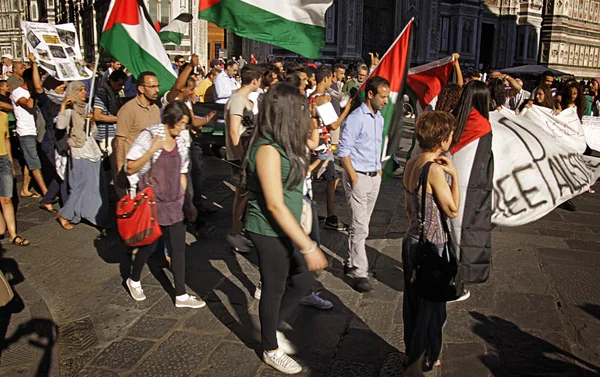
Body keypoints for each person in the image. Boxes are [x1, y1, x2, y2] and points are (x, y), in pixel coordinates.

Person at [243, 82, 328, 374]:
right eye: (302, 109)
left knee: (303, 281)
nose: (306, 114)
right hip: (268, 229)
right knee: (275, 288)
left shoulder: (285, 143)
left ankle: (274, 325)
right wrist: (308, 245)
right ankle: (270, 347)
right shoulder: (266, 149)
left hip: (289, 224)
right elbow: (275, 205)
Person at [125, 100, 205, 309]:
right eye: (180, 123)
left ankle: (181, 294)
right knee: (149, 246)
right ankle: (133, 279)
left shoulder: (181, 140)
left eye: (185, 124)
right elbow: (130, 167)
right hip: (152, 203)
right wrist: (152, 150)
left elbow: (182, 173)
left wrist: (188, 202)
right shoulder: (150, 136)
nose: (182, 128)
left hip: (175, 202)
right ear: (169, 120)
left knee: (178, 249)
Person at [402, 111, 460, 377]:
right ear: (441, 139)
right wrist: (454, 177)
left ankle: (410, 351)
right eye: (449, 135)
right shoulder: (434, 170)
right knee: (432, 306)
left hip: (411, 240)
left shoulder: (411, 162)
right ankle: (422, 359)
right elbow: (452, 209)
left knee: (412, 300)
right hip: (432, 244)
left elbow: (407, 207)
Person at [338, 76, 390, 292]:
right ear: (371, 94)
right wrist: (353, 175)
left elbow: (376, 145)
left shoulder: (379, 118)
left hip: (373, 175)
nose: (386, 101)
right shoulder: (355, 118)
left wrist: (378, 169)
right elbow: (343, 150)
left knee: (363, 224)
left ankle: (351, 261)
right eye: (383, 96)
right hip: (357, 175)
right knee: (360, 226)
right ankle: (360, 271)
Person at [450, 80, 493, 284]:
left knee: (450, 229)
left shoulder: (454, 119)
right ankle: (462, 278)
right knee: (468, 230)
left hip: (449, 179)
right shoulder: (483, 126)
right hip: (471, 185)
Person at [55, 81, 109, 230]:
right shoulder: (69, 110)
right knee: (80, 185)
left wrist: (91, 122)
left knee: (96, 185)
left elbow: (94, 133)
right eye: (80, 90)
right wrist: (63, 106)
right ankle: (65, 214)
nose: (84, 92)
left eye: (84, 89)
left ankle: (94, 215)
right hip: (79, 150)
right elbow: (60, 126)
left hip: (91, 149)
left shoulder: (86, 108)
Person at [310, 66, 353, 231]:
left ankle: (313, 211)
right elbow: (334, 125)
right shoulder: (321, 99)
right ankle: (331, 216)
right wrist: (347, 109)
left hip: (314, 142)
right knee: (332, 179)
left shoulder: (311, 97)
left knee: (313, 177)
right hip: (322, 145)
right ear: (327, 78)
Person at [225, 64, 262, 253]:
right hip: (241, 156)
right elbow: (234, 131)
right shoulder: (238, 100)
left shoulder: (244, 99)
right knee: (241, 194)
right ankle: (235, 232)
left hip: (247, 153)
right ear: (255, 80)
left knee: (245, 194)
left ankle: (240, 230)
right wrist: (241, 159)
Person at [114, 71, 161, 192]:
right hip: (134, 170)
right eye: (152, 87)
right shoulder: (128, 109)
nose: (156, 90)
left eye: (157, 86)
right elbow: (120, 141)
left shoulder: (155, 109)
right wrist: (120, 171)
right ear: (141, 88)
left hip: (151, 170)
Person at [11, 54, 48, 199]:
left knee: (29, 160)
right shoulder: (18, 92)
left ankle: (25, 188)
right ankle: (45, 191)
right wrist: (34, 93)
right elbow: (29, 104)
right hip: (25, 131)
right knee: (35, 163)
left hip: (36, 130)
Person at [0, 77, 27, 245]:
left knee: (7, 198)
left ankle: (14, 234)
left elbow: (6, 138)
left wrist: (9, 159)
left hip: (2, 159)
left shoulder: (3, 116)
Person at [93, 70, 127, 188]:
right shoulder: (102, 94)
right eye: (119, 85)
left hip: (115, 133)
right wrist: (118, 119)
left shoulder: (115, 94)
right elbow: (97, 115)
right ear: (111, 81)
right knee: (113, 167)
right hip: (106, 135)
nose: (120, 87)